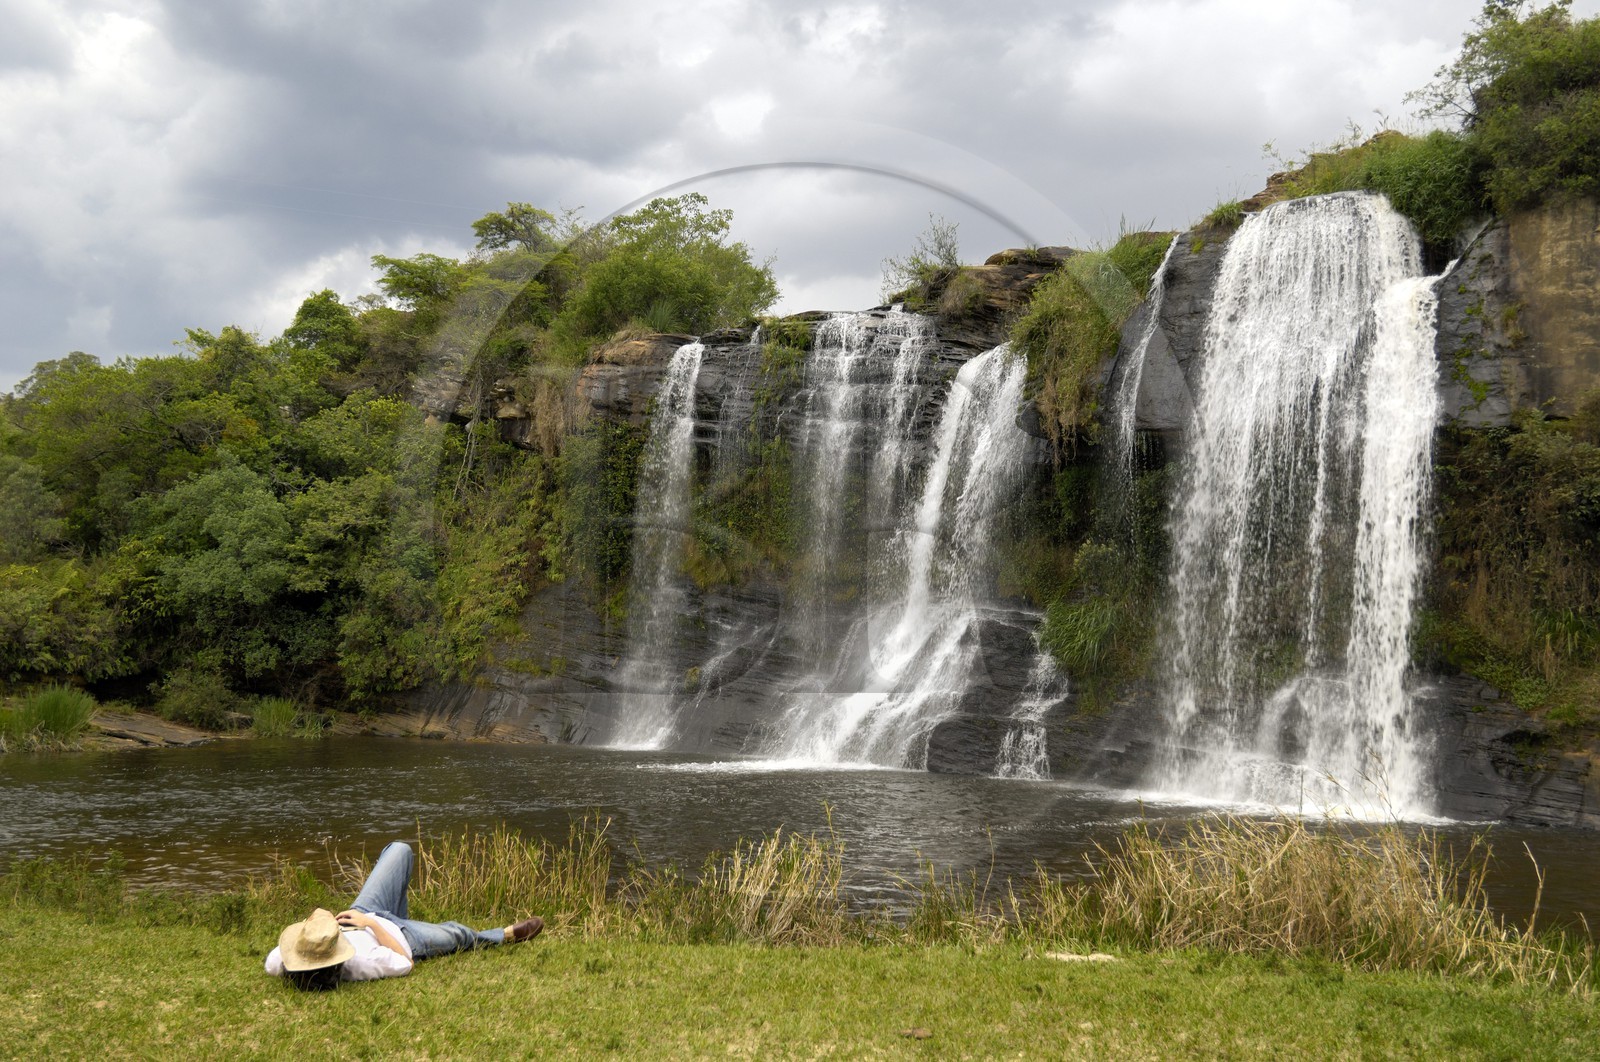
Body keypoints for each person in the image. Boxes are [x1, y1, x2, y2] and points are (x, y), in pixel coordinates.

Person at [265, 840, 543, 989]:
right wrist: (371, 924)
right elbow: (405, 962)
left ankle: (396, 911)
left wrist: (317, 920)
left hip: (358, 911)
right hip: (401, 934)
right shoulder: (359, 964)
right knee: (457, 933)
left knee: (400, 850)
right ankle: (501, 936)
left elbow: (276, 955)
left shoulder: (283, 962)